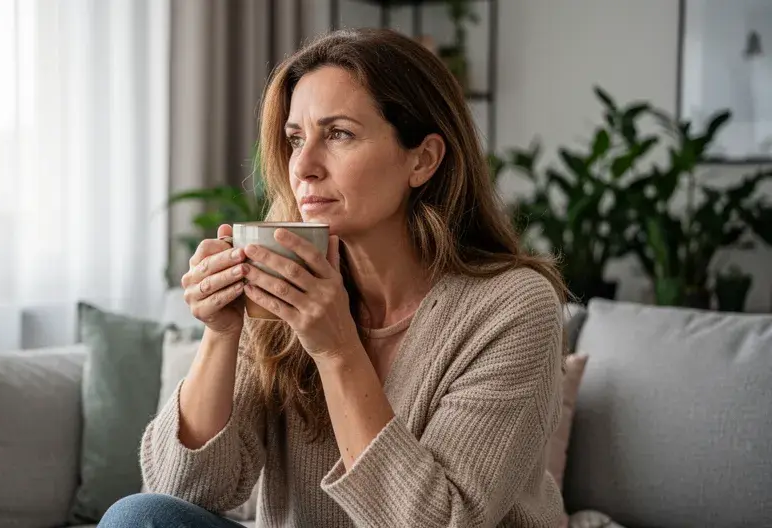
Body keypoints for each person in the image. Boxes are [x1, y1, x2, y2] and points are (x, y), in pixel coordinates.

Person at [100, 27, 566, 528]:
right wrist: (221, 333)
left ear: (423, 159)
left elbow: (437, 522)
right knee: (140, 517)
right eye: (296, 138)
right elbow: (183, 491)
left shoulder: (513, 306)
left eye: (339, 134)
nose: (302, 165)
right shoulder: (285, 279)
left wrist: (337, 349)